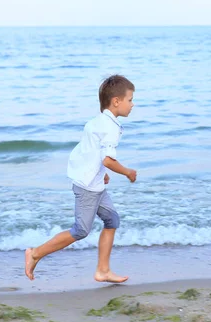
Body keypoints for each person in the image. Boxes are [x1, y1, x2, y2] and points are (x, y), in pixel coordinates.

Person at [24, 75, 137, 283]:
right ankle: (35, 253)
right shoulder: (109, 127)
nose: (133, 104)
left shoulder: (97, 122)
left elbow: (89, 153)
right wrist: (127, 172)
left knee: (112, 220)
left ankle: (103, 270)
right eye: (130, 99)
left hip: (93, 183)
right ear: (116, 102)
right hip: (87, 188)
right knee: (81, 231)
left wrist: (101, 171)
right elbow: (109, 159)